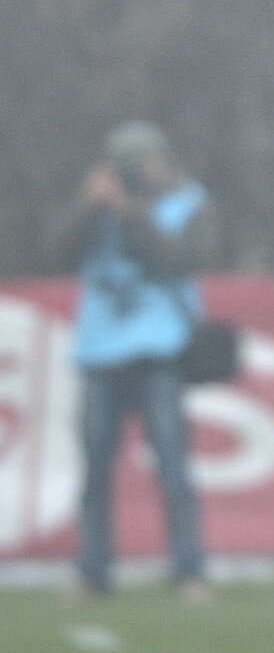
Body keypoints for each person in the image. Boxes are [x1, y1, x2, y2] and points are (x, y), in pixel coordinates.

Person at [56, 122, 214, 600]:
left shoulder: (187, 203)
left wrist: (130, 212)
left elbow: (175, 259)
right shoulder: (95, 207)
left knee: (172, 465)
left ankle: (188, 568)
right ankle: (92, 570)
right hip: (99, 350)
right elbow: (59, 252)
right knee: (95, 469)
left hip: (158, 349)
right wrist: (90, 204)